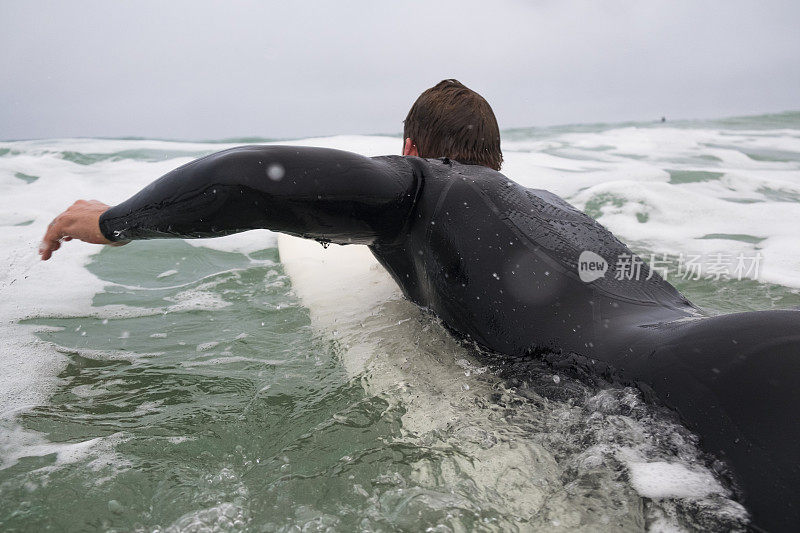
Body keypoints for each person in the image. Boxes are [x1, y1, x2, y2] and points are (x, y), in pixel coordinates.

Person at [40, 79, 798, 532]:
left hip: (697, 391)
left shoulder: (424, 187)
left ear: (409, 149)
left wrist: (115, 223)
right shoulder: (561, 213)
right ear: (498, 159)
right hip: (739, 349)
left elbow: (248, 178)